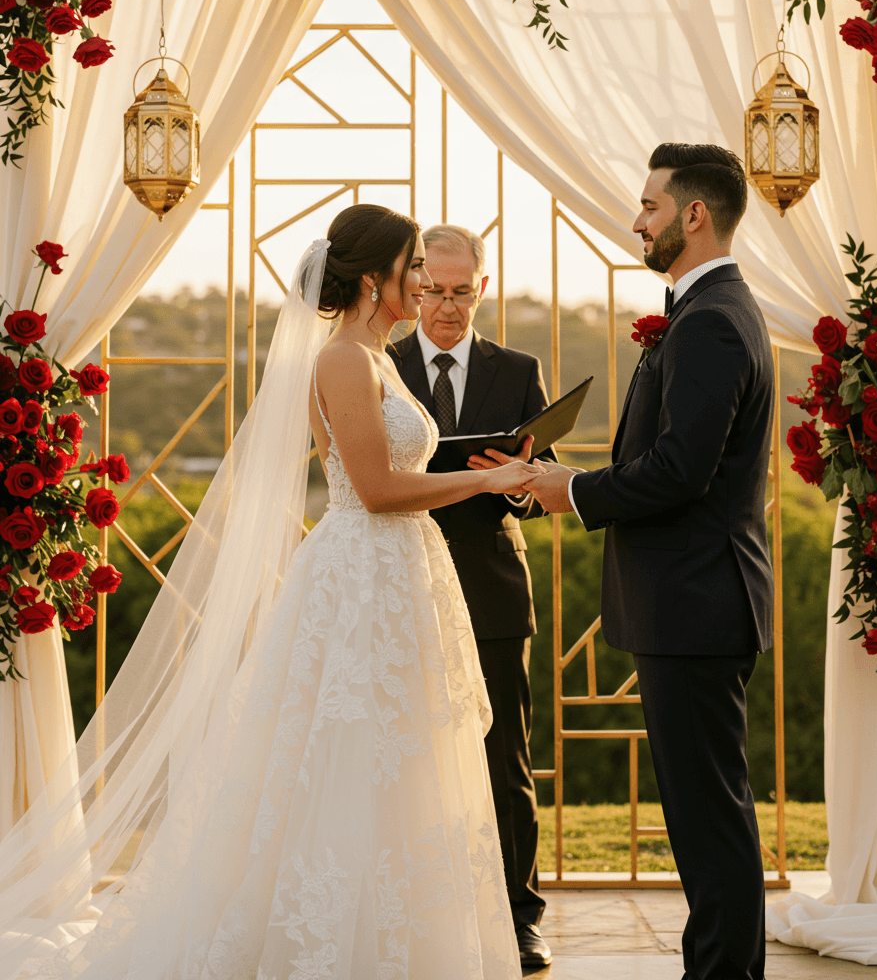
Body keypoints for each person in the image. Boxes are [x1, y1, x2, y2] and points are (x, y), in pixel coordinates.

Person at [0, 205, 539, 980]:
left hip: (399, 573)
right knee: (345, 753)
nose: (425, 282)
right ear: (373, 277)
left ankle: (394, 938)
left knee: (400, 759)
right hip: (361, 579)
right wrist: (487, 479)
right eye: (415, 265)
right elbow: (376, 488)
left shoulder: (378, 357)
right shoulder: (343, 360)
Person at [498, 144, 775, 980]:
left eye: (650, 206)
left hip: (696, 603)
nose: (637, 220)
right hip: (695, 601)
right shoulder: (709, 310)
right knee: (705, 815)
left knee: (708, 819)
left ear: (694, 214)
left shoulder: (712, 320)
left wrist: (573, 490)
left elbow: (682, 471)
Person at [389, 225, 555, 970]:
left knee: (503, 759)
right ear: (414, 287)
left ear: (482, 288)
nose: (447, 307)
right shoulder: (380, 365)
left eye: (462, 292)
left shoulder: (518, 371)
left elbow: (543, 486)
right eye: (433, 291)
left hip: (491, 590)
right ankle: (411, 910)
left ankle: (519, 918)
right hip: (399, 585)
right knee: (401, 756)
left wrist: (518, 483)